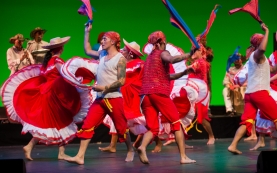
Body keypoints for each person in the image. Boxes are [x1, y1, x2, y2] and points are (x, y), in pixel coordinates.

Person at [1, 36, 91, 161]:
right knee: (62, 121)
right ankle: (58, 152)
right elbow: (65, 74)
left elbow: (47, 77)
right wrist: (79, 83)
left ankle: (31, 146)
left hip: (46, 93)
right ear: (61, 48)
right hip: (55, 95)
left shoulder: (47, 61)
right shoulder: (58, 61)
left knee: (52, 122)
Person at [227, 23, 277, 155]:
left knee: (247, 121)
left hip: (250, 95)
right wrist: (267, 31)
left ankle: (233, 145)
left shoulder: (262, 58)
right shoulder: (258, 54)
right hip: (260, 93)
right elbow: (261, 49)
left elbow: (272, 70)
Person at [64, 25, 129, 165]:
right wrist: (86, 32)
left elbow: (122, 81)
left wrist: (104, 87)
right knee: (88, 125)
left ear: (112, 41)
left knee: (121, 128)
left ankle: (131, 150)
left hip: (113, 99)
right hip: (100, 99)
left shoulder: (120, 59)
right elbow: (87, 49)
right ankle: (80, 156)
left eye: (105, 39)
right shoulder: (102, 54)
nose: (102, 41)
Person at [137, 31, 196, 164]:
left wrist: (185, 72)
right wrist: (189, 54)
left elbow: (167, 77)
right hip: (158, 93)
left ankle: (142, 146)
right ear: (163, 42)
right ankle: (183, 157)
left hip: (146, 96)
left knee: (153, 128)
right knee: (176, 123)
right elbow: (172, 59)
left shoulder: (149, 58)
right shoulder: (162, 53)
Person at [98, 39, 163, 154]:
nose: (122, 51)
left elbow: (145, 77)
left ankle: (158, 141)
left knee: (142, 119)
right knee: (117, 116)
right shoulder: (124, 64)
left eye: (124, 50)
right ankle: (113, 145)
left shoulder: (138, 64)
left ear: (130, 53)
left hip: (135, 96)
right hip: (123, 95)